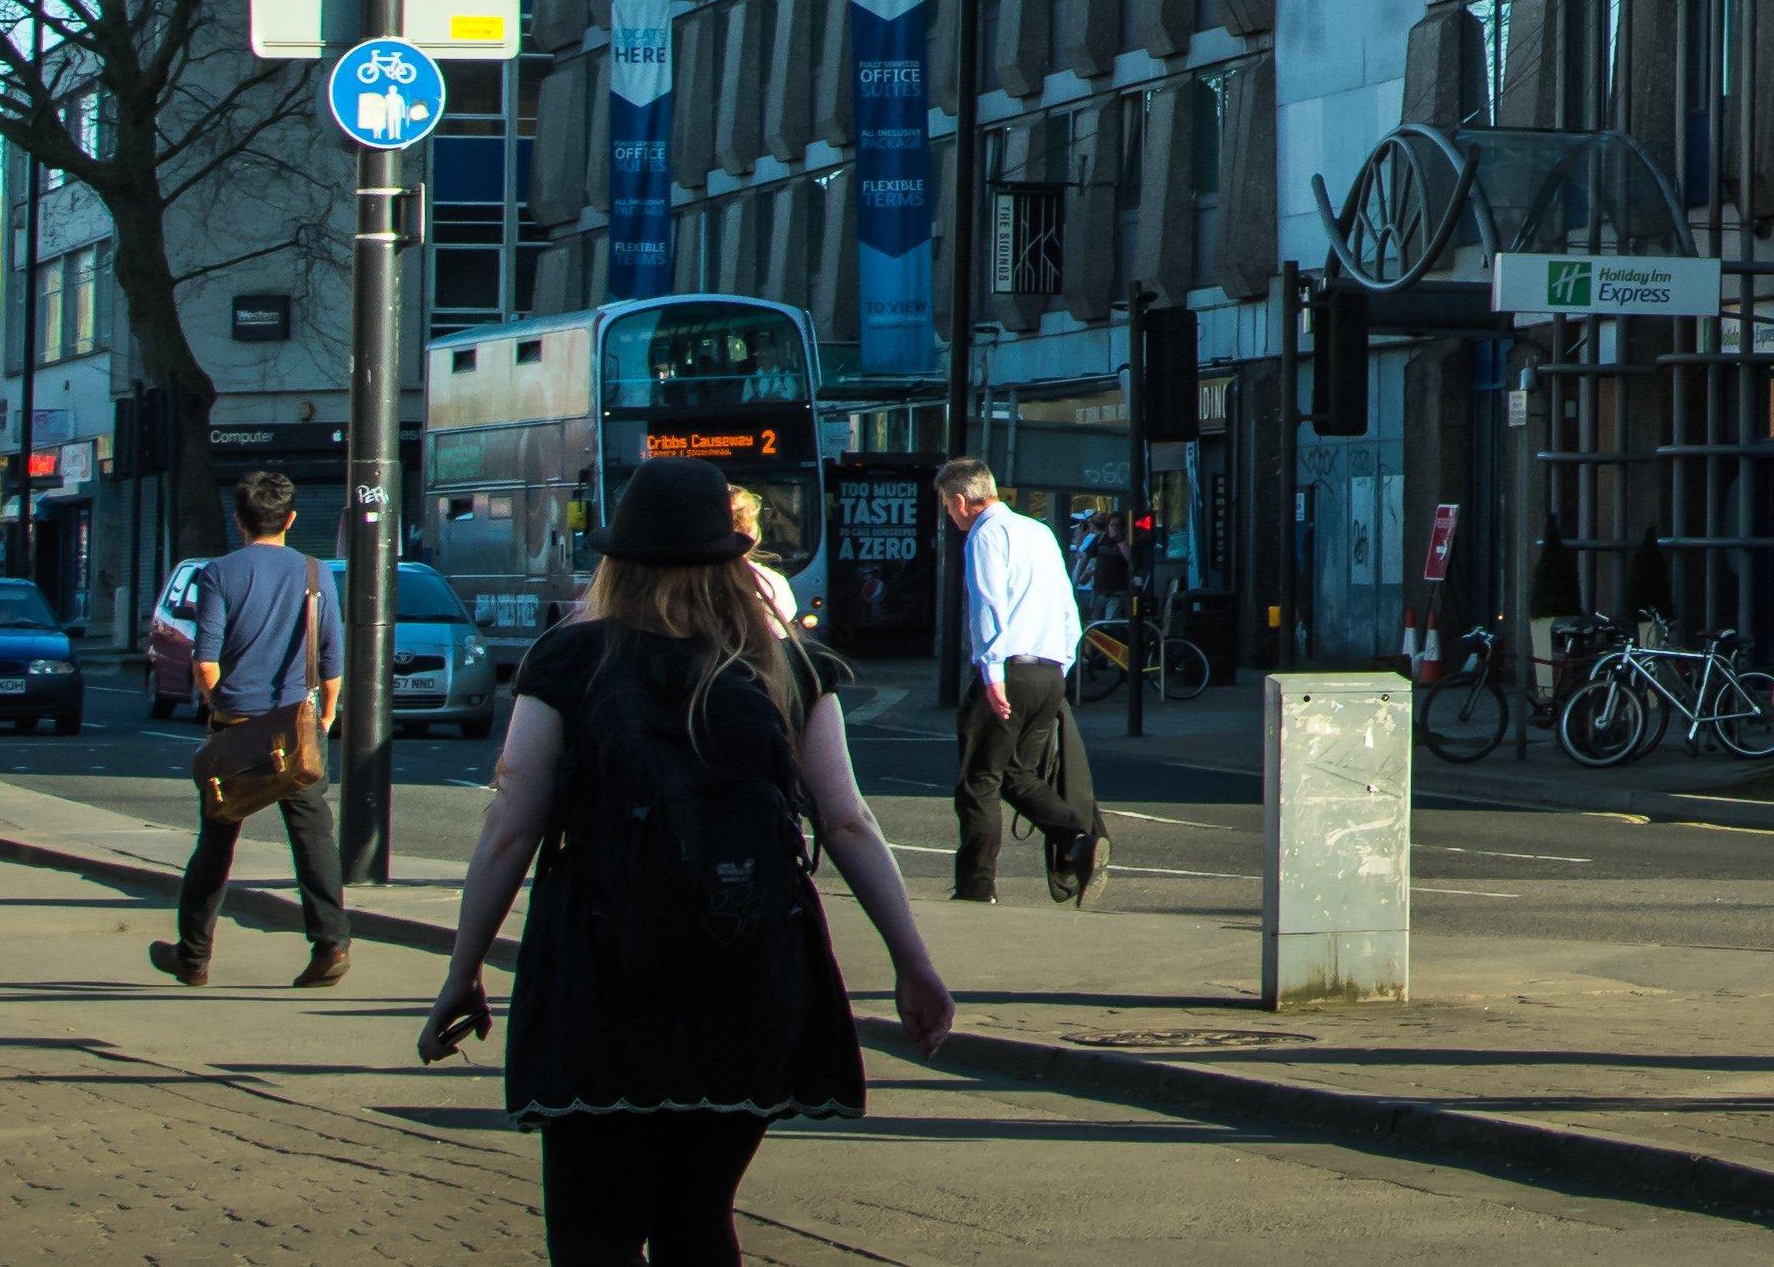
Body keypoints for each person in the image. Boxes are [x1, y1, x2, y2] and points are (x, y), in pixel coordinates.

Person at [419, 457, 951, 1267]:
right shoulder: (791, 669)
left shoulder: (568, 662)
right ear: (731, 560)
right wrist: (913, 963)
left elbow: (509, 827)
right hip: (748, 970)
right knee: (697, 1218)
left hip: (601, 972)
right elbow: (846, 822)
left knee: (591, 1225)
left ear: (617, 560)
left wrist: (463, 972)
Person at [152, 469, 353, 989]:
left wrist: (221, 705)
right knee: (313, 837)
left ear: (238, 521)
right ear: (290, 519)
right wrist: (326, 716)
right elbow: (332, 658)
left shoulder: (219, 573)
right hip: (296, 724)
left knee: (216, 839)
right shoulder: (316, 573)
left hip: (237, 726)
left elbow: (205, 662)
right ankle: (331, 943)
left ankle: (193, 956)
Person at [931, 460, 1103, 906]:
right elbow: (1068, 605)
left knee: (979, 780)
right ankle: (1080, 838)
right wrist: (1061, 668)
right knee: (1018, 774)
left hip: (1008, 669)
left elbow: (988, 606)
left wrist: (992, 673)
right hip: (1048, 671)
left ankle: (976, 886)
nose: (950, 517)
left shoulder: (984, 536)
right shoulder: (1038, 531)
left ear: (960, 501)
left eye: (947, 507)